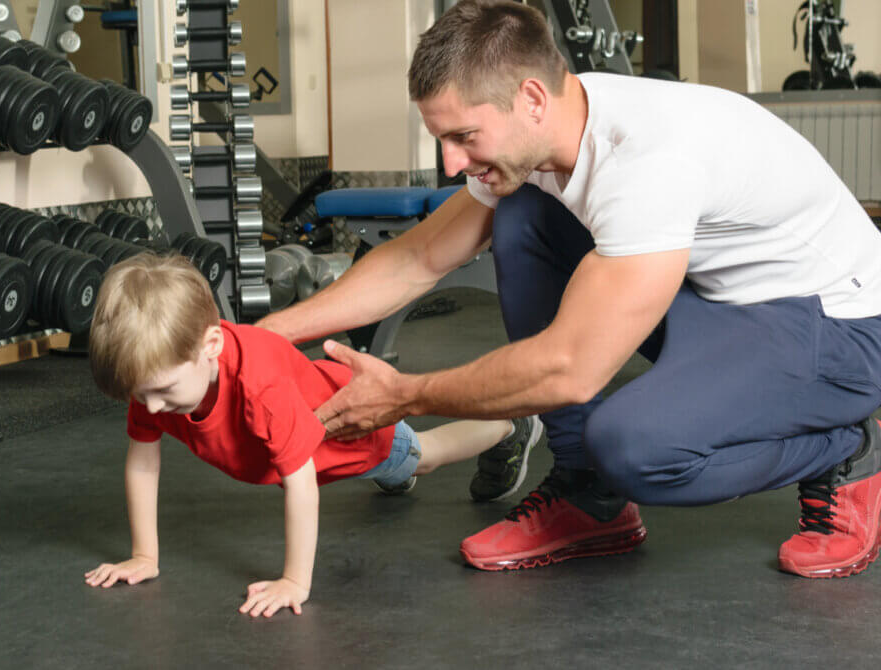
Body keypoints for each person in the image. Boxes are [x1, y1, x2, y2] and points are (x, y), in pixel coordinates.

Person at [256, 0, 881, 578]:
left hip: (841, 329)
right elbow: (418, 257)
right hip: (731, 305)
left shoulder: (647, 162)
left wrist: (405, 396)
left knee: (632, 448)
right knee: (522, 209)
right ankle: (589, 496)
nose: (449, 163)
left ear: (530, 97)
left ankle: (846, 447)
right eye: (441, 138)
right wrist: (259, 335)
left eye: (464, 137)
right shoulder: (557, 123)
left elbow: (571, 371)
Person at [82, 253, 542, 617]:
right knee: (394, 469)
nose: (153, 408)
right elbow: (143, 460)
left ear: (211, 347)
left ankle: (509, 424)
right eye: (140, 396)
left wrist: (294, 582)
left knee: (422, 453)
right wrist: (144, 555)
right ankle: (402, 473)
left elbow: (300, 483)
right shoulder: (156, 383)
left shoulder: (260, 391)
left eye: (162, 392)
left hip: (348, 430)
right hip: (301, 443)